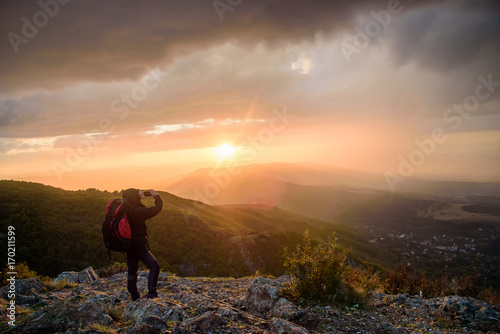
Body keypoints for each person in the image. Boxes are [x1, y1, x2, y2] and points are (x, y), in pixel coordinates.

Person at [122, 188, 163, 300]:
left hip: (128, 245)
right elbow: (156, 209)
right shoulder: (136, 212)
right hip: (138, 245)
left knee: (132, 270)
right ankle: (151, 293)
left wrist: (138, 199)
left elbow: (139, 208)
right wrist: (157, 196)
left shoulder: (125, 208)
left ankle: (134, 295)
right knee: (154, 266)